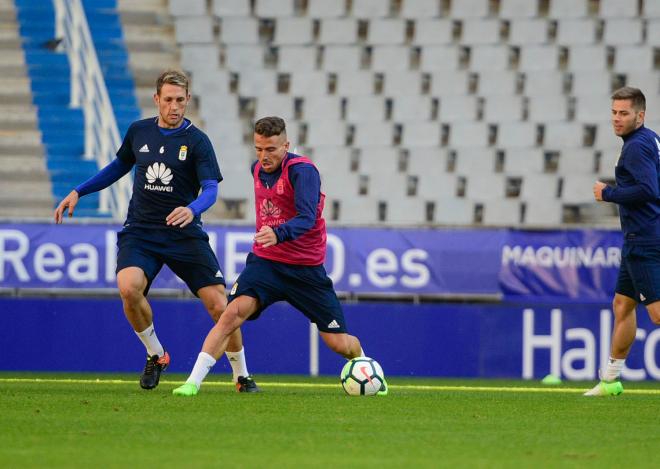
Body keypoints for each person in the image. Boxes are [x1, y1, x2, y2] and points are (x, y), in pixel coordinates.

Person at [54, 70, 259, 392]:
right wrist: (80, 191)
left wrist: (192, 209)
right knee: (128, 288)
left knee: (221, 306)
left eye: (180, 100)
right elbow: (118, 166)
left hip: (184, 233)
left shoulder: (197, 141)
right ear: (157, 100)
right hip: (142, 231)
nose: (174, 106)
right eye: (168, 100)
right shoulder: (139, 131)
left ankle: (241, 374)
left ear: (188, 100)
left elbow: (210, 190)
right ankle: (156, 354)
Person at [172, 116, 387, 396]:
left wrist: (278, 233)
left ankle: (365, 366)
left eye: (271, 149)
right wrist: (272, 240)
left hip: (305, 270)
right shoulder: (256, 170)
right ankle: (192, 383)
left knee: (339, 344)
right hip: (266, 264)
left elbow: (308, 218)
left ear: (286, 145)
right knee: (230, 314)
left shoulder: (303, 172)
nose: (264, 156)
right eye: (259, 149)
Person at [589, 86, 660, 396]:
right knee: (622, 305)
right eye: (614, 113)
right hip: (639, 237)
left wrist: (609, 194)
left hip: (644, 238)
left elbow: (648, 190)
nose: (617, 119)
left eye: (624, 113)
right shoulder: (648, 139)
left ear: (639, 116)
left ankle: (609, 379)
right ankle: (610, 380)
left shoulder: (636, 147)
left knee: (657, 313)